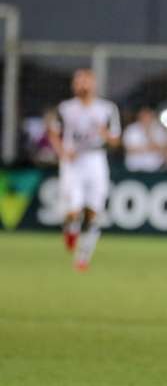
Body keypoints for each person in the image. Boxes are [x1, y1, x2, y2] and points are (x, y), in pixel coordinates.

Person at [49, 69, 121, 271]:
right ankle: (70, 228)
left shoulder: (107, 109)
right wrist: (63, 152)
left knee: (93, 212)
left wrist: (105, 134)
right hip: (73, 162)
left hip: (96, 160)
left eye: (86, 81)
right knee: (73, 210)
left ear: (94, 84)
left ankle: (83, 257)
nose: (83, 85)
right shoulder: (65, 108)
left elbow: (116, 141)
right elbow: (54, 133)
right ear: (74, 85)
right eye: (79, 82)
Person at [123, 107, 167, 172]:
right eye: (144, 116)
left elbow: (165, 149)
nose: (146, 119)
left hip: (156, 168)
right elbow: (129, 149)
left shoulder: (159, 129)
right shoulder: (131, 129)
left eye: (149, 116)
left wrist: (149, 135)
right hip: (135, 168)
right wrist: (150, 148)